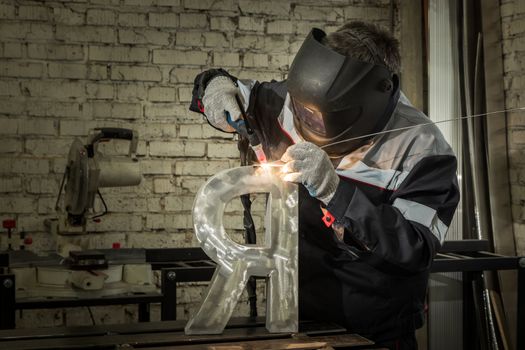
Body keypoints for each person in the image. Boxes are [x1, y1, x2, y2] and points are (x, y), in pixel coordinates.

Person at [189, 21, 459, 350]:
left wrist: (337, 193)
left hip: (375, 326)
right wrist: (216, 87)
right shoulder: (287, 101)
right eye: (302, 109)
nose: (304, 120)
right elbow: (234, 93)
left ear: (369, 96)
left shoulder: (422, 149)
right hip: (297, 317)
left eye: (316, 117)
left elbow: (414, 248)